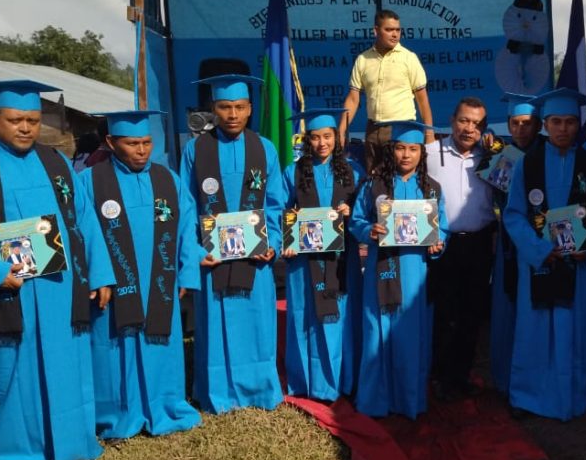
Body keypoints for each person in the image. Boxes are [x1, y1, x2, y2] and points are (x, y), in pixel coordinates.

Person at [0, 79, 114, 460]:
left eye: (33, 120)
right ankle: (14, 447)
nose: (25, 127)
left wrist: (101, 274)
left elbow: (85, 219)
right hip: (9, 290)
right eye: (15, 119)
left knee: (66, 361)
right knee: (11, 368)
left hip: (60, 288)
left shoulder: (57, 162)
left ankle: (73, 439)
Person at [79, 110, 202, 440]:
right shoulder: (89, 182)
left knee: (159, 344)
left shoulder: (168, 179)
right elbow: (83, 233)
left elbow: (189, 227)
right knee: (115, 347)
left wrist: (187, 272)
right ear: (110, 142)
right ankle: (118, 413)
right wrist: (99, 274)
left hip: (160, 280)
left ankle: (164, 404)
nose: (141, 150)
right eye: (132, 143)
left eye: (147, 142)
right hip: (116, 285)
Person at [504, 88, 586, 420]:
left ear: (578, 124)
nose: (563, 128)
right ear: (545, 125)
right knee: (535, 328)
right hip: (539, 262)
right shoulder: (527, 165)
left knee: (573, 330)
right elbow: (514, 214)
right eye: (556, 122)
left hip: (578, 265)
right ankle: (529, 394)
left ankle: (571, 394)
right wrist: (539, 249)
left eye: (569, 122)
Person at [180, 74, 284, 414]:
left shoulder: (264, 148)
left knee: (256, 323)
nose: (233, 114)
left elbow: (275, 203)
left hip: (256, 260)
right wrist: (195, 250)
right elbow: (186, 205)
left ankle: (259, 389)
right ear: (213, 109)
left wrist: (274, 242)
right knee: (216, 325)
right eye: (225, 107)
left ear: (250, 108)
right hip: (214, 259)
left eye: (240, 107)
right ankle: (218, 392)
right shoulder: (196, 149)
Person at [350, 120, 448, 418]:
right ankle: (374, 401)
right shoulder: (372, 184)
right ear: (391, 150)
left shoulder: (431, 188)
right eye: (400, 148)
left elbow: (442, 227)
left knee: (410, 335)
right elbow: (356, 220)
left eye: (413, 149)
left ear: (422, 152)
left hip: (415, 271)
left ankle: (409, 401)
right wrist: (370, 230)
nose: (406, 155)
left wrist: (438, 243)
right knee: (375, 334)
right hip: (381, 269)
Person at [281, 106, 363, 402]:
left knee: (340, 315)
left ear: (336, 138)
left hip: (342, 260)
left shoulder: (353, 171)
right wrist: (289, 230)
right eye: (315, 138)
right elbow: (281, 209)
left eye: (327, 136)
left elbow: (364, 211)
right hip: (304, 261)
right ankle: (308, 381)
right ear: (307, 140)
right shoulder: (293, 171)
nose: (322, 143)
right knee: (306, 316)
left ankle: (342, 379)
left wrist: (352, 211)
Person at [426, 97, 497, 397]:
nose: (469, 128)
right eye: (464, 120)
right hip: (443, 245)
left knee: (471, 315)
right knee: (442, 313)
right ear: (452, 120)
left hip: (479, 243)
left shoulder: (492, 159)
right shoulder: (430, 153)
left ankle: (460, 378)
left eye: (477, 124)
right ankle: (437, 376)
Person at [489, 94, 542, 394]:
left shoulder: (548, 155)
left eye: (527, 123)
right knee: (506, 307)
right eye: (515, 123)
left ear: (537, 125)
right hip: (507, 244)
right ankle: (503, 373)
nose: (521, 129)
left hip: (537, 242)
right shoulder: (501, 157)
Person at [340, 9, 434, 168]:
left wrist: (429, 135)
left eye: (397, 30)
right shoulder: (363, 59)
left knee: (397, 180)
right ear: (375, 30)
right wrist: (341, 131)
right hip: (373, 129)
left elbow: (422, 99)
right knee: (373, 180)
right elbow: (353, 98)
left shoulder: (408, 58)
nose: (395, 34)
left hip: (401, 129)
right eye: (389, 29)